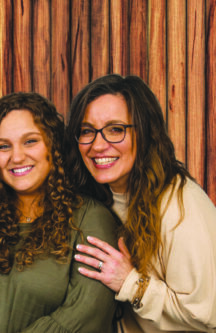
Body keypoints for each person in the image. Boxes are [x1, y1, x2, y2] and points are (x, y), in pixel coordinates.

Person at [0, 92, 119, 333]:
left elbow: (86, 312)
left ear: (53, 145)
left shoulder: (90, 219)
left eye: (30, 141)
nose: (17, 157)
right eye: (3, 146)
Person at [65, 74, 216, 332]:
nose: (98, 145)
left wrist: (130, 282)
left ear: (145, 132)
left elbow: (207, 316)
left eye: (115, 129)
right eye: (87, 131)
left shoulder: (181, 207)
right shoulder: (98, 199)